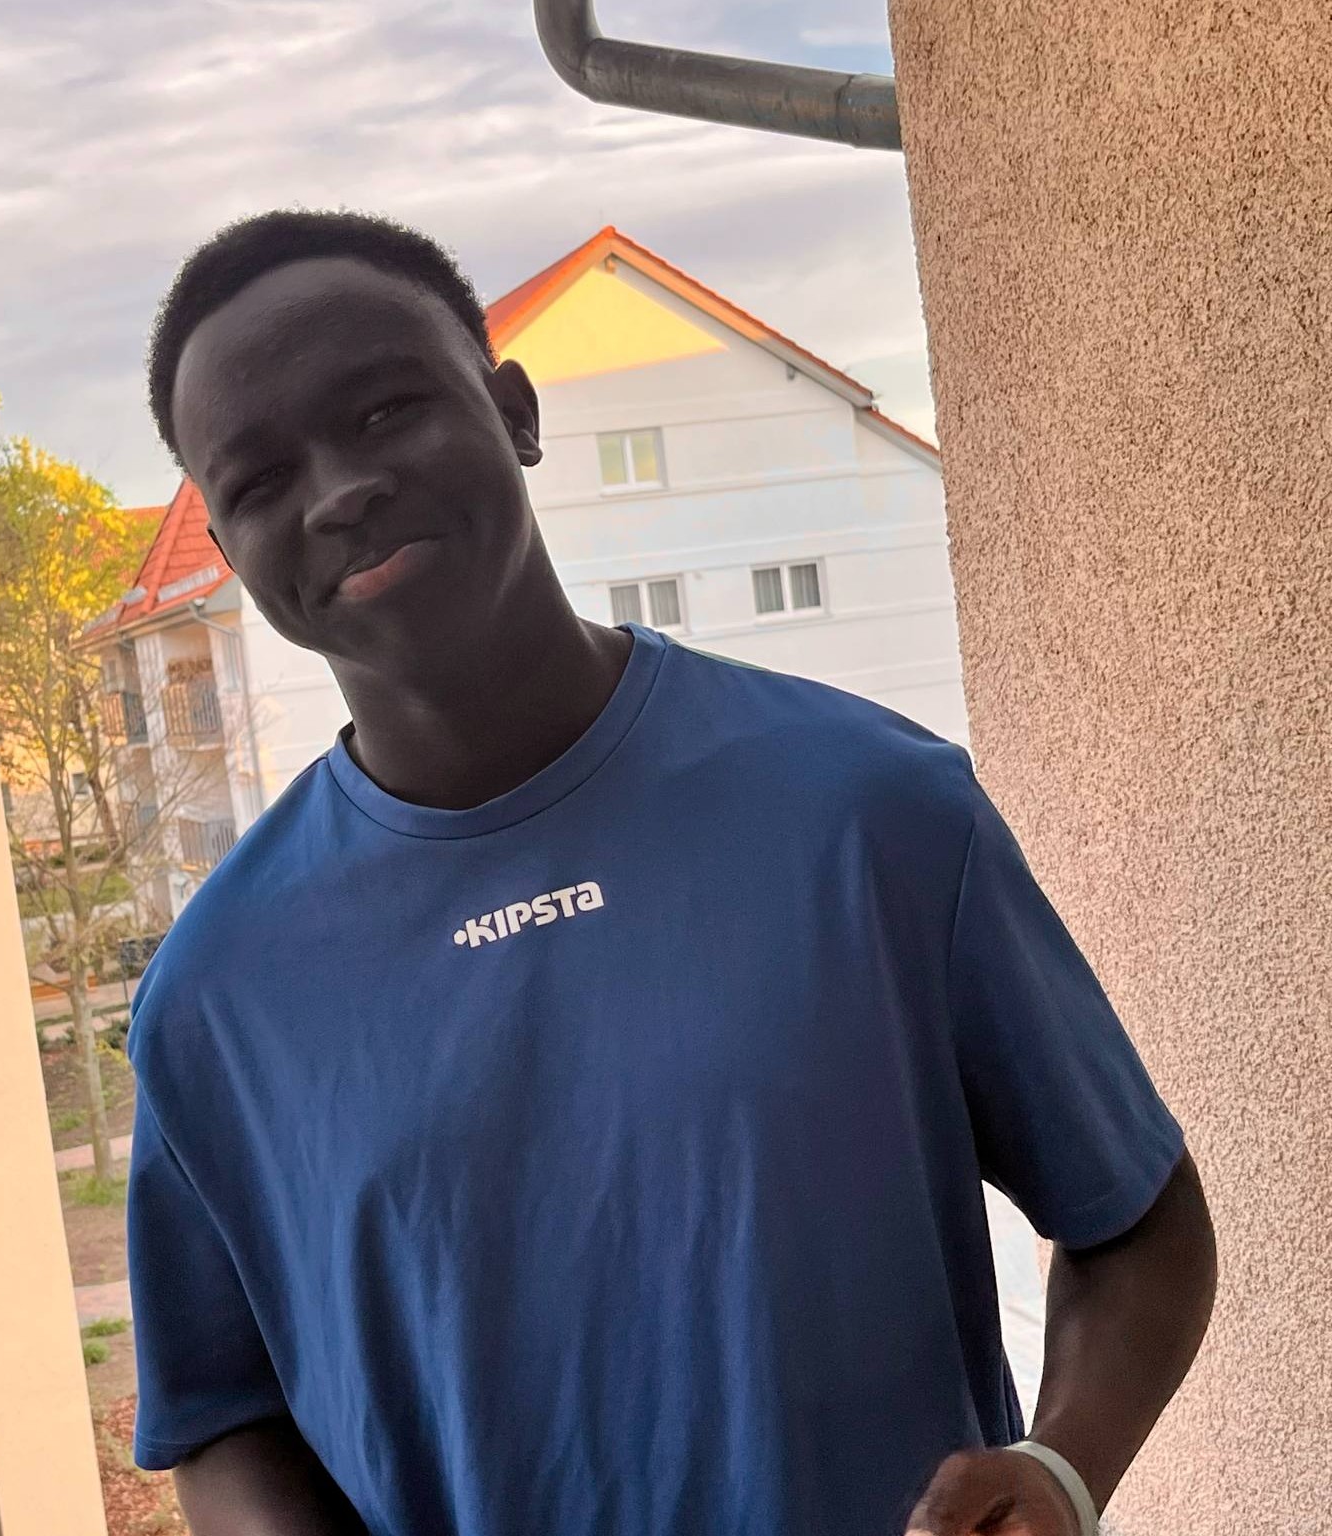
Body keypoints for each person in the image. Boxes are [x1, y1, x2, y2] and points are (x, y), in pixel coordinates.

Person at [126, 209, 1216, 1536]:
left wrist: (1061, 1471)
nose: (338, 492)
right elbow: (221, 1420)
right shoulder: (215, 999)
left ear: (514, 414)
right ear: (229, 547)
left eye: (386, 410)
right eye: (257, 481)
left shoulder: (868, 810)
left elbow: (1138, 1218)